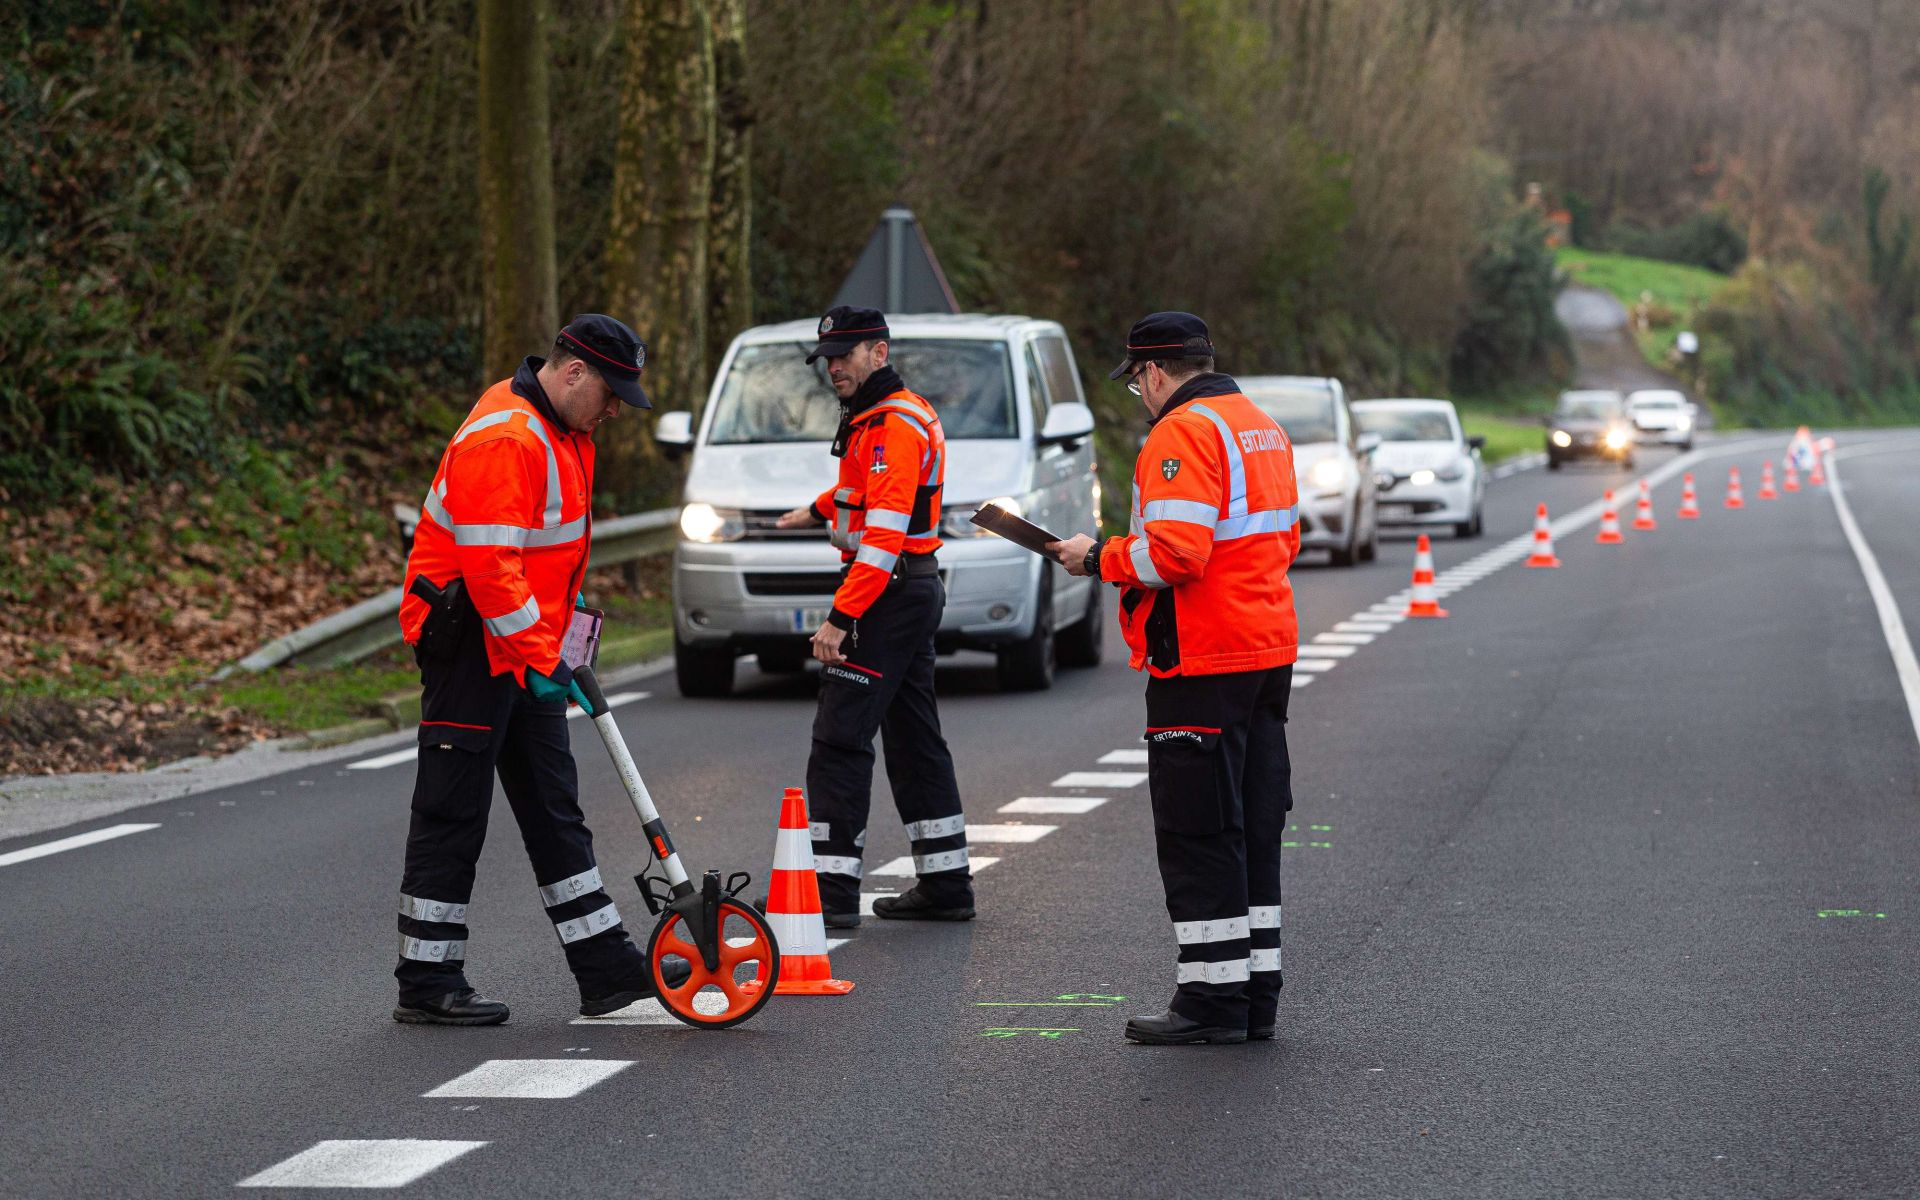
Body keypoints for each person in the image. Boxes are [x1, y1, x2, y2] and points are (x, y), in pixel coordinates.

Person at [391, 314, 679, 1025]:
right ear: (573, 371)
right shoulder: (508, 437)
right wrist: (549, 652)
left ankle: (606, 969)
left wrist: (565, 641)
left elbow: (548, 560)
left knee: (556, 809)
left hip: (522, 648)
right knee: (452, 812)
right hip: (467, 642)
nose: (616, 410)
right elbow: (491, 572)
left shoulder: (567, 434)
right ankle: (427, 981)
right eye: (611, 393)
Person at [1049, 312, 1300, 1046]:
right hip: (1264, 649)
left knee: (1197, 829)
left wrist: (1098, 558)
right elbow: (1279, 538)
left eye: (1136, 385)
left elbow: (1177, 555)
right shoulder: (1258, 424)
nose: (1141, 397)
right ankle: (1255, 996)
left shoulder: (1182, 434)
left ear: (1153, 372)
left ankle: (1210, 1001)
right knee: (1253, 825)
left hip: (1202, 655)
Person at [772, 306, 975, 928]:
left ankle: (827, 896)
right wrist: (817, 506)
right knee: (915, 741)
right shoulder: (882, 418)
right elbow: (870, 494)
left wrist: (839, 616)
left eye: (846, 354)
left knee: (839, 738)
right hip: (908, 591)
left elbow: (884, 537)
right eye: (827, 358)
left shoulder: (890, 425)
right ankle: (945, 883)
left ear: (878, 354)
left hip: (887, 592)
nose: (833, 367)